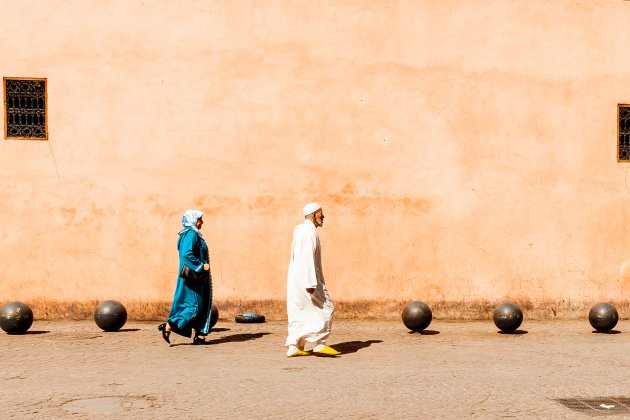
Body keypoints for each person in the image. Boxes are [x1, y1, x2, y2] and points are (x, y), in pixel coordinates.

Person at [285, 202, 340, 357]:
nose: (323, 216)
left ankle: (294, 347)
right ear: (313, 214)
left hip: (296, 281)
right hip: (308, 280)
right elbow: (307, 257)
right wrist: (310, 283)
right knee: (327, 307)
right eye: (320, 213)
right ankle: (320, 344)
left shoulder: (300, 230)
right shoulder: (309, 233)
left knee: (299, 312)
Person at [158, 209, 213, 345]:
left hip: (199, 278)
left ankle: (200, 336)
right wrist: (200, 265)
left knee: (203, 303)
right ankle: (169, 325)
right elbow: (186, 254)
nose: (202, 222)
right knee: (194, 305)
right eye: (200, 219)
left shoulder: (191, 234)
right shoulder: (191, 234)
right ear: (194, 220)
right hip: (193, 278)